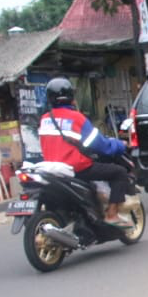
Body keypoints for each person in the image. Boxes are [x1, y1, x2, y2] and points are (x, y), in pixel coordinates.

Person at [38, 77, 134, 227]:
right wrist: (120, 145)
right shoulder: (77, 118)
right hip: (76, 169)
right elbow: (100, 145)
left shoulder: (44, 119)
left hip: (52, 169)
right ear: (71, 97)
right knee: (119, 172)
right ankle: (112, 214)